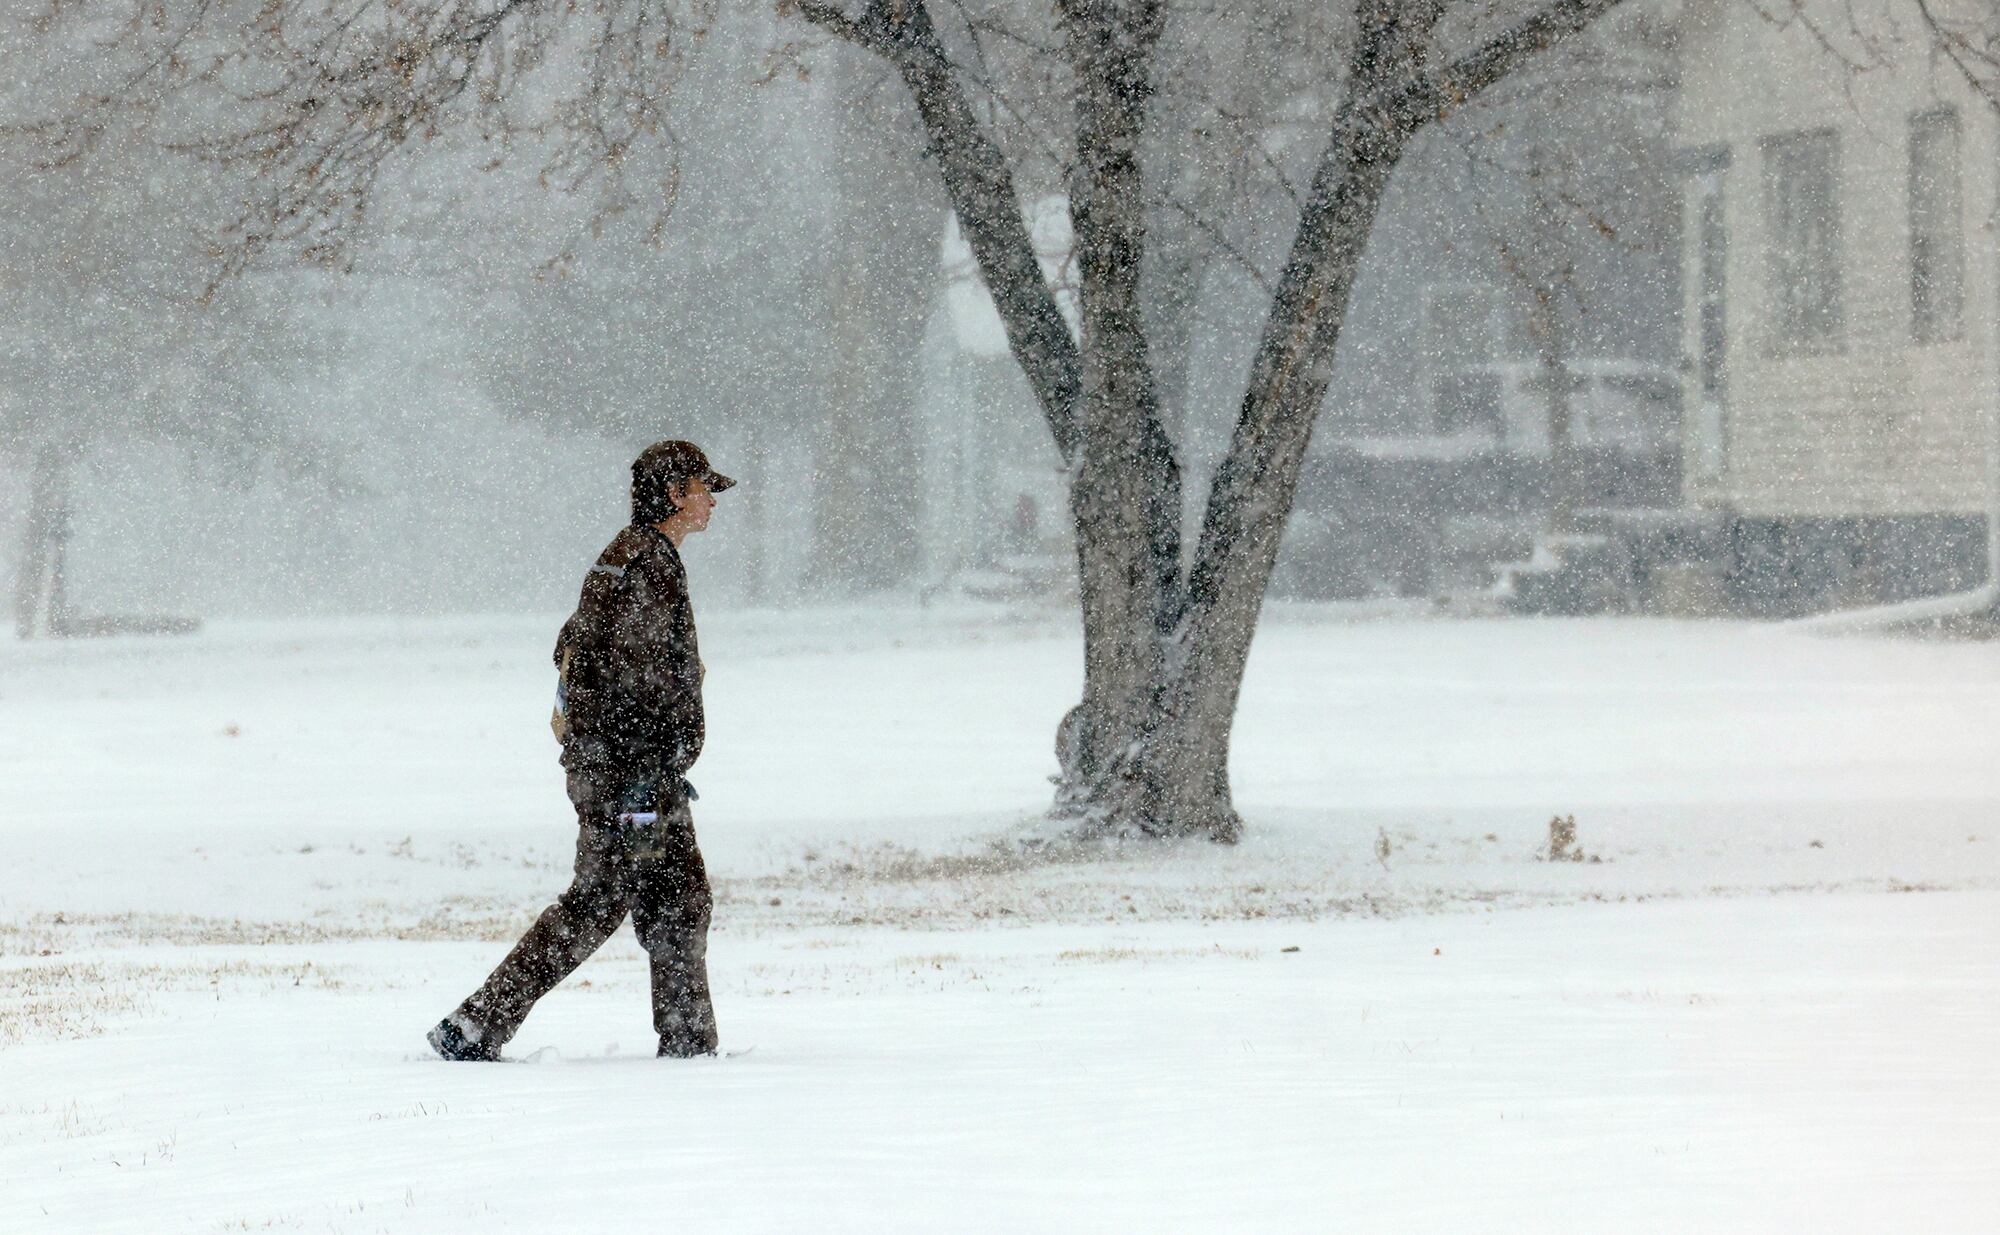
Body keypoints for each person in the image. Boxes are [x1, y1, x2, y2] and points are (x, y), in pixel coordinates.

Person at [428, 440, 734, 1061]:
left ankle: (687, 1043)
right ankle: (477, 1025)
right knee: (608, 900)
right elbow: (635, 678)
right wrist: (643, 772)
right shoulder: (645, 567)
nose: (712, 500)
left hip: (626, 772)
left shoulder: (628, 559)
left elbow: (576, 652)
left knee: (672, 897)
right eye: (704, 488)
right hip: (634, 780)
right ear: (675, 493)